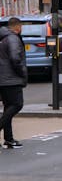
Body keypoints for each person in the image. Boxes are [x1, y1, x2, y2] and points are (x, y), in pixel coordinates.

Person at [0, 17, 27, 149]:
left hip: (3, 78)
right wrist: (22, 72)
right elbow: (15, 58)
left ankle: (8, 139)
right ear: (18, 27)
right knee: (17, 104)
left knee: (8, 107)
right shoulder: (12, 38)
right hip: (11, 79)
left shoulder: (3, 37)